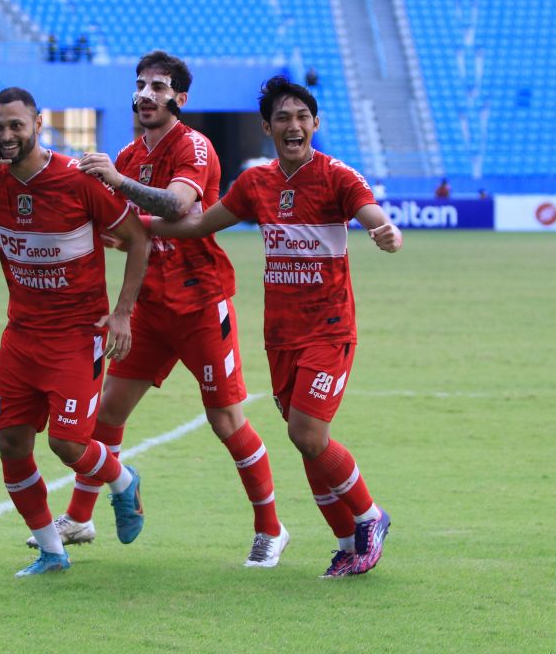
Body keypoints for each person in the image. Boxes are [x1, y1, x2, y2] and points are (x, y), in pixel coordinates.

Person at [150, 75, 402, 577]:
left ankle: (371, 517)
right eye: (283, 118)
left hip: (329, 329)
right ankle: (348, 543)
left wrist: (382, 227)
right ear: (267, 128)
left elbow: (366, 208)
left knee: (309, 433)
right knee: (302, 437)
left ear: (315, 124)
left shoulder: (336, 176)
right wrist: (137, 226)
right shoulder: (257, 183)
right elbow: (201, 223)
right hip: (280, 335)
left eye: (302, 117)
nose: (294, 126)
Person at [0, 87, 152, 577]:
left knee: (68, 444)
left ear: (38, 124)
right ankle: (52, 553)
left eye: (16, 125)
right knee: (11, 444)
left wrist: (123, 312)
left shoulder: (77, 181)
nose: (7, 135)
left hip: (78, 335)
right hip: (21, 336)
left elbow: (138, 239)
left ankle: (124, 481)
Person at [64, 50, 290, 567]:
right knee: (107, 413)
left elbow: (178, 205)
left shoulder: (195, 146)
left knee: (226, 420)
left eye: (159, 86)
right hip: (149, 306)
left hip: (200, 301)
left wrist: (117, 186)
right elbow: (119, 228)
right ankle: (80, 518)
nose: (146, 94)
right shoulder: (125, 154)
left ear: (180, 99)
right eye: (140, 84)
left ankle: (271, 528)